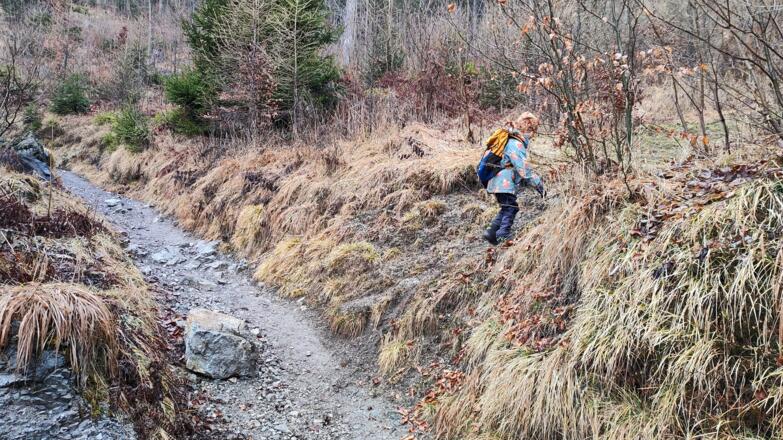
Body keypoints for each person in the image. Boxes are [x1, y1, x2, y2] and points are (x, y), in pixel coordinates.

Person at [483, 112, 545, 245]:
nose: (533, 136)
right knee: (511, 207)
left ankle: (491, 232)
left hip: (495, 180)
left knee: (507, 207)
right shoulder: (515, 144)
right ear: (528, 129)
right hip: (503, 182)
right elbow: (524, 170)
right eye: (533, 131)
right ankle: (503, 236)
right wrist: (539, 186)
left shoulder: (509, 139)